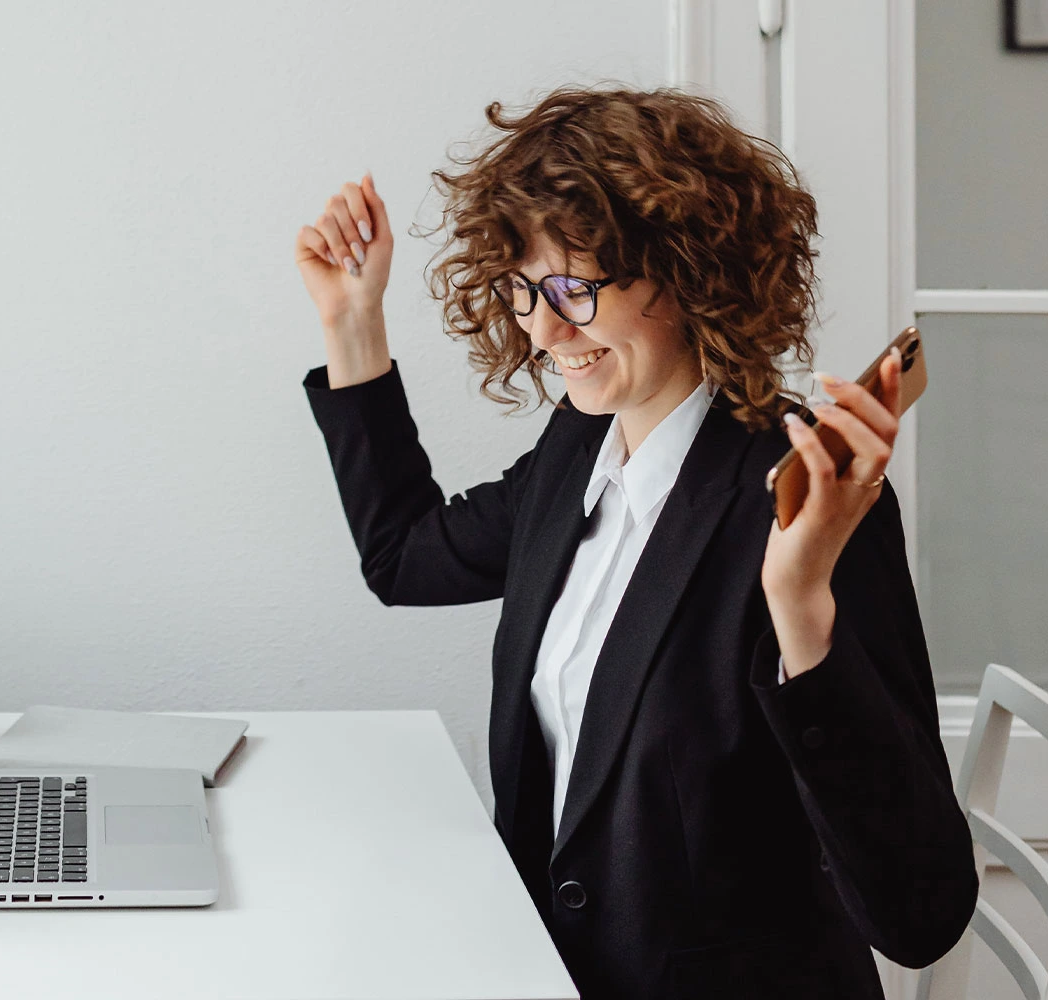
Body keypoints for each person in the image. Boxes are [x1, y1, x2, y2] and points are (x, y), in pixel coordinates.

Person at [293, 86, 976, 999]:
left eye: (574, 288)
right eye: (524, 289)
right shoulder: (583, 443)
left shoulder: (807, 501)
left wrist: (800, 608)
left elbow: (917, 913)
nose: (543, 329)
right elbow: (405, 557)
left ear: (688, 272)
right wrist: (352, 319)